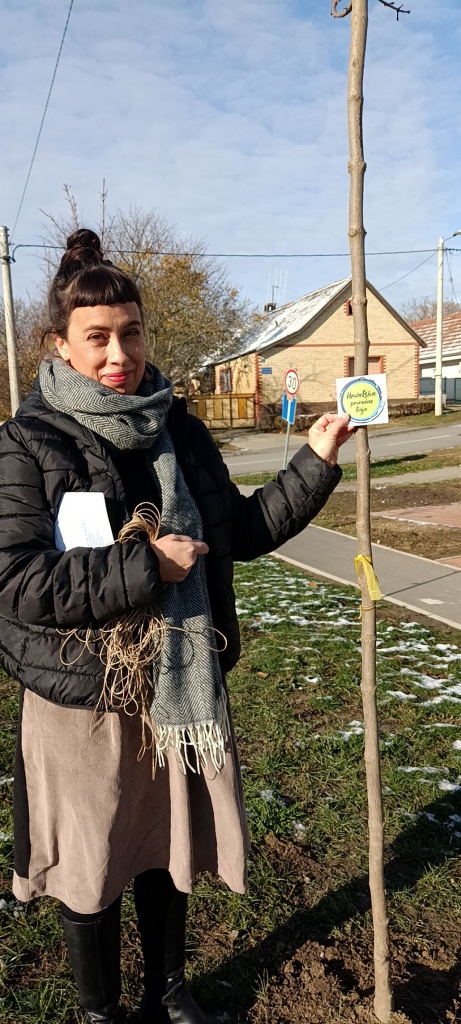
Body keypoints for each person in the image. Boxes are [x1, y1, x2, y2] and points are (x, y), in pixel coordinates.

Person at [0, 229, 353, 1024]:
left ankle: (168, 994)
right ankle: (100, 1012)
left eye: (130, 333)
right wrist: (144, 568)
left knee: (167, 844)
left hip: (177, 691)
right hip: (81, 700)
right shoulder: (28, 444)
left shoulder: (179, 431)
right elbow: (15, 580)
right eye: (97, 337)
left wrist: (315, 458)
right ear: (59, 344)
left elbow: (240, 531)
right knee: (91, 860)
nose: (117, 354)